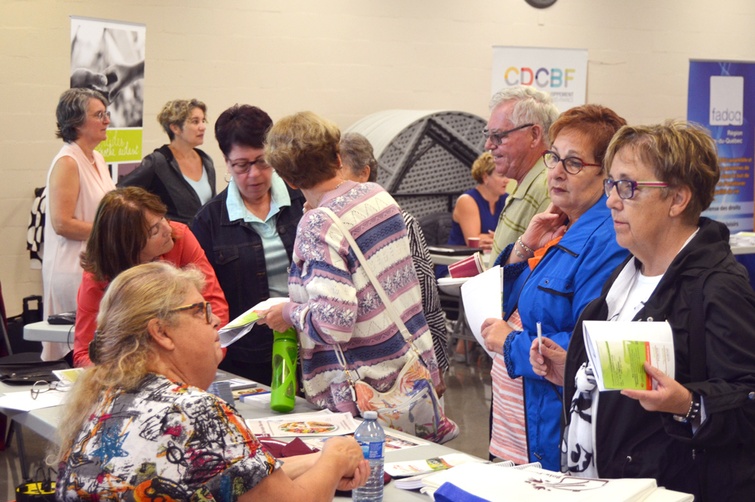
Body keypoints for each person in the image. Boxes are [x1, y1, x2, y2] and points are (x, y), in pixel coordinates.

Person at [530, 121, 755, 501]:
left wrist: (687, 403)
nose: (611, 201)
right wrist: (578, 369)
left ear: (677, 199)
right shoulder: (625, 275)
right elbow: (633, 384)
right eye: (611, 184)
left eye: (628, 187)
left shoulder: (718, 287)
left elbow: (746, 399)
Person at [56, 262, 368, 500]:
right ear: (161, 332)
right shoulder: (194, 410)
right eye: (200, 311)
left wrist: (313, 461)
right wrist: (335, 459)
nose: (216, 320)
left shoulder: (104, 396)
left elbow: (242, 477)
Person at [257, 112, 445, 426]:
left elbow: (335, 324)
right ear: (337, 156)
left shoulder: (318, 224)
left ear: (288, 178)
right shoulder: (378, 196)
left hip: (365, 394)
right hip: (409, 372)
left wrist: (289, 312)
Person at [480, 105, 629, 470]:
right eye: (554, 158)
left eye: (574, 163)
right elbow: (506, 307)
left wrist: (509, 343)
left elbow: (589, 347)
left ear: (607, 175)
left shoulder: (607, 241)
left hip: (551, 428)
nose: (557, 172)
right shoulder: (560, 226)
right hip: (518, 428)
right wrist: (523, 248)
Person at [191, 105, 305, 385]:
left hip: (310, 342)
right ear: (226, 162)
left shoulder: (303, 201)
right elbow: (203, 297)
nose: (254, 175)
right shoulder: (209, 221)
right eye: (241, 165)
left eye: (262, 162)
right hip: (247, 356)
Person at [72, 187, 229, 368]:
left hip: (188, 359)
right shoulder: (98, 272)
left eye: (163, 217)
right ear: (129, 246)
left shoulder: (180, 237)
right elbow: (85, 353)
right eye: (154, 231)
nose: (167, 228)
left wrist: (210, 354)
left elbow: (213, 305)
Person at [339, 131, 450, 379]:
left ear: (364, 174)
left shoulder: (402, 222)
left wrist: (438, 364)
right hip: (353, 368)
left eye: (339, 173)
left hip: (402, 366)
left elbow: (428, 299)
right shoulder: (329, 226)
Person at [42, 87, 117, 361]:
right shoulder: (68, 161)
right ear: (76, 123)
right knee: (77, 350)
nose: (107, 120)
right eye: (99, 115)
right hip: (71, 269)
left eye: (106, 113)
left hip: (95, 265)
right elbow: (62, 223)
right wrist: (112, 232)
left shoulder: (96, 157)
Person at [486, 85, 560, 266]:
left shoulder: (547, 187)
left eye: (498, 136)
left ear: (534, 135)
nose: (489, 145)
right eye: (488, 135)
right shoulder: (528, 183)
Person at [119, 99, 216, 223]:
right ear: (175, 128)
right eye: (195, 122)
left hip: (204, 240)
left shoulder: (206, 161)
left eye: (203, 121)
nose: (203, 127)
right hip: (174, 239)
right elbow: (120, 193)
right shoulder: (158, 162)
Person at [447, 151, 510, 251]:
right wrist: (502, 239)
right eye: (501, 175)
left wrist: (500, 239)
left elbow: (516, 235)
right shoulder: (467, 201)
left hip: (490, 260)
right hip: (460, 262)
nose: (507, 180)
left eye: (507, 175)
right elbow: (474, 241)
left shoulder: (508, 200)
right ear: (485, 177)